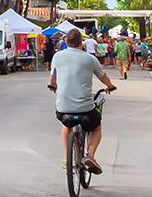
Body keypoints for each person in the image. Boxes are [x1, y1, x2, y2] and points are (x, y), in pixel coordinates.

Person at [48, 28, 117, 174]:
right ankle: (90, 156)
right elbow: (102, 76)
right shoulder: (89, 58)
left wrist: (53, 86)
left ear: (66, 42)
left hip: (63, 109)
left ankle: (68, 157)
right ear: (82, 43)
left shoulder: (57, 57)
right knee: (96, 126)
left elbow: (52, 78)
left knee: (67, 125)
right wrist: (109, 86)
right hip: (86, 108)